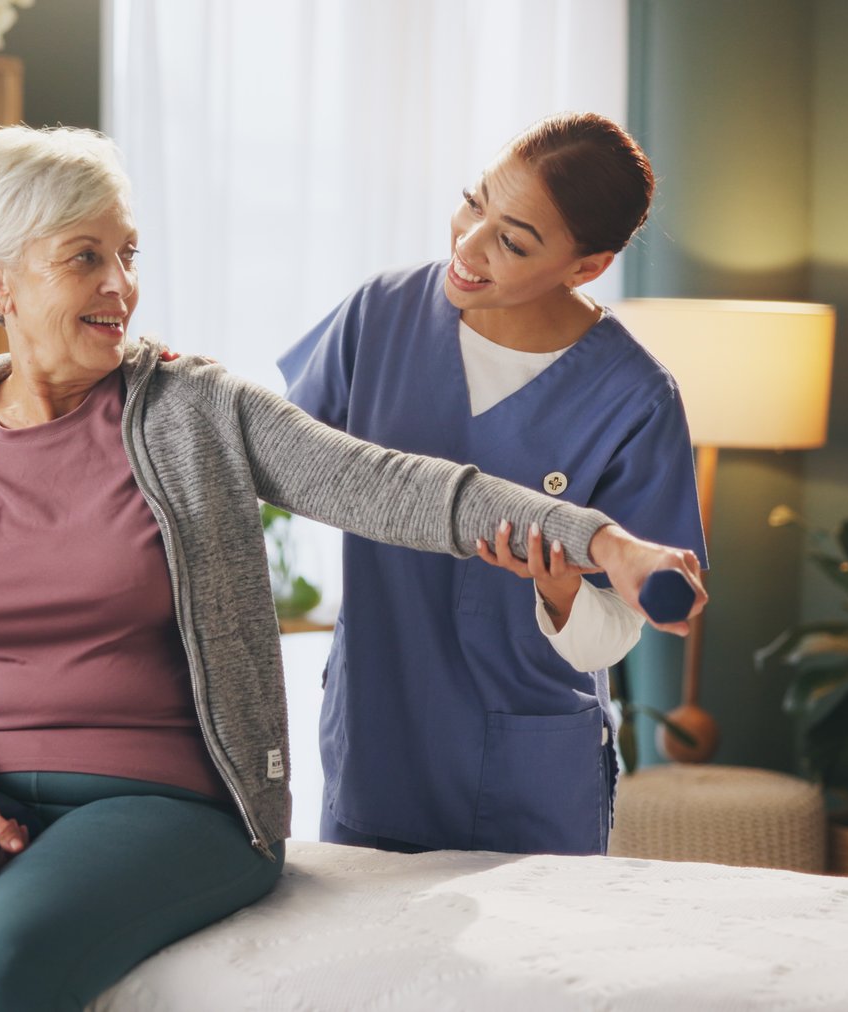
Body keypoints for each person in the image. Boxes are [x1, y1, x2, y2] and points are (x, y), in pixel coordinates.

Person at [0, 125, 703, 1012]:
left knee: (1, 952)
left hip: (167, 793)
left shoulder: (194, 409)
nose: (124, 285)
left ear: (583, 266)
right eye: (86, 258)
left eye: (129, 252)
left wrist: (604, 545)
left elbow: (383, 482)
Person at [278, 112, 708, 857]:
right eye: (474, 203)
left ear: (586, 266)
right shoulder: (380, 315)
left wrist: (565, 593)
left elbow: (614, 635)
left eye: (512, 240)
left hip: (525, 772)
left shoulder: (635, 398)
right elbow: (292, 461)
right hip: (380, 739)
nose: (468, 246)